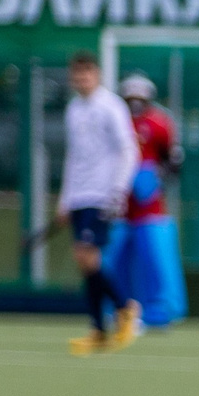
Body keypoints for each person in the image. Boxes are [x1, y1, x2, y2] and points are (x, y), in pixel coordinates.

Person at [58, 52, 140, 356]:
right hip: (79, 196)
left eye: (87, 74)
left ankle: (124, 307)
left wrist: (119, 191)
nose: (82, 79)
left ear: (98, 75)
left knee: (86, 256)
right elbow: (73, 157)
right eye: (77, 75)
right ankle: (98, 330)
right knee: (85, 263)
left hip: (102, 194)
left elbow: (128, 151)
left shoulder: (111, 106)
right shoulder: (73, 109)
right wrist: (66, 200)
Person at [103, 73, 187, 329]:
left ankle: (161, 311)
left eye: (140, 98)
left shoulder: (159, 124)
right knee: (112, 263)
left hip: (150, 210)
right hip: (118, 210)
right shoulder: (115, 123)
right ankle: (114, 309)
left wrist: (156, 176)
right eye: (131, 98)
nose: (136, 104)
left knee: (156, 261)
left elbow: (173, 163)